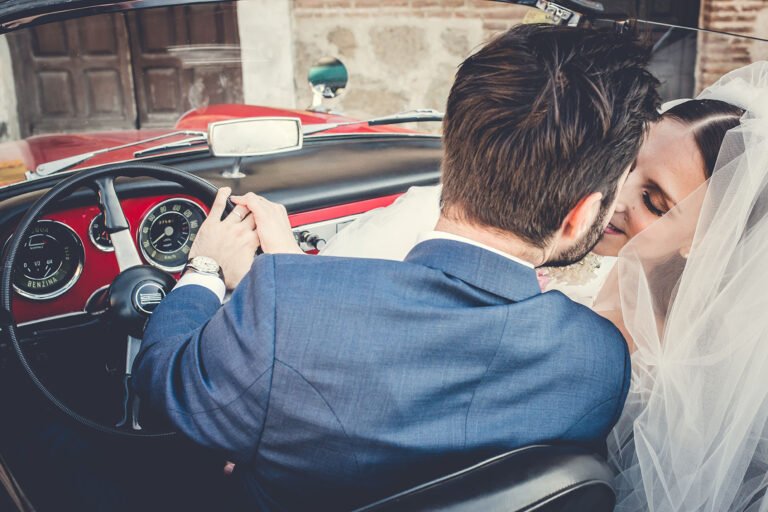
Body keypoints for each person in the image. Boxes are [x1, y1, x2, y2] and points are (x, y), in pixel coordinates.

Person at [133, 24, 660, 511]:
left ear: (451, 152)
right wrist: (292, 274)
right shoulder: (597, 363)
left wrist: (205, 268)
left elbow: (164, 386)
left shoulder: (285, 307)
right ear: (583, 214)